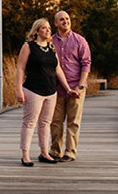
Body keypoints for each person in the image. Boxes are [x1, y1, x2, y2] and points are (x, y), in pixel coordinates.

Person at [16, 18, 79, 167]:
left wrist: (68, 88)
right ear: (37, 31)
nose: (47, 31)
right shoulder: (28, 46)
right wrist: (19, 89)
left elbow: (58, 70)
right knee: (30, 122)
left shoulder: (51, 48)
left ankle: (45, 153)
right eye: (44, 28)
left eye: (49, 28)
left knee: (45, 123)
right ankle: (25, 155)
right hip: (33, 90)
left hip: (51, 91)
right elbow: (20, 68)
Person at [49, 9, 91, 162]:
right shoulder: (50, 42)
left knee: (73, 122)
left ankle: (70, 152)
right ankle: (55, 151)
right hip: (56, 88)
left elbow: (86, 64)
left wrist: (80, 86)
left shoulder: (80, 41)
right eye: (61, 19)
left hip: (76, 86)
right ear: (55, 23)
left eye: (67, 18)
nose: (65, 21)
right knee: (55, 121)